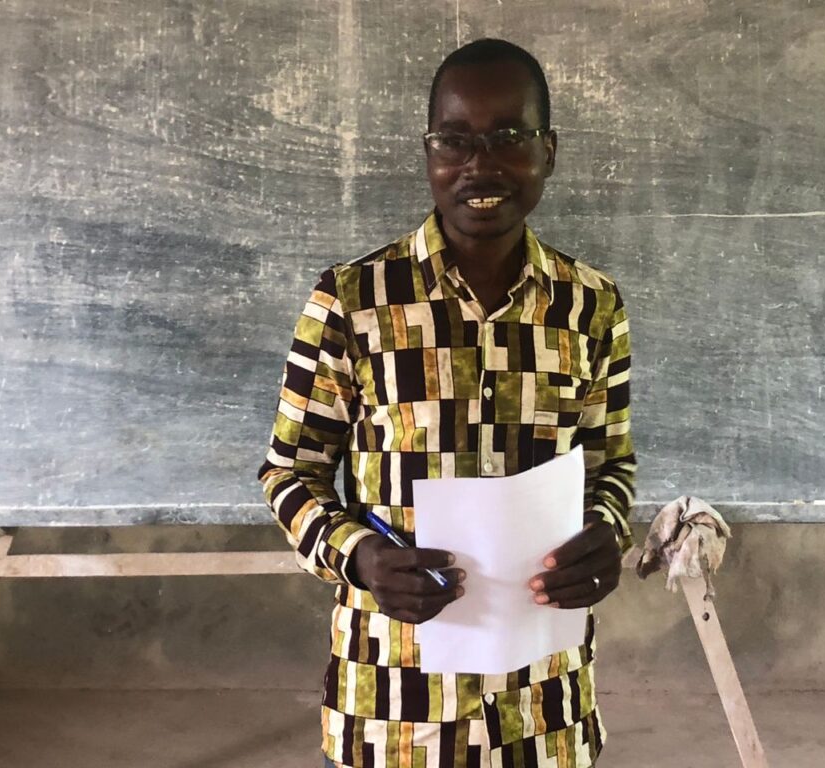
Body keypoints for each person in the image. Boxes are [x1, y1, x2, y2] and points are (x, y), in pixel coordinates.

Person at [258, 38, 636, 768]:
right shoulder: (352, 301)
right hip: (393, 705)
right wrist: (361, 558)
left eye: (509, 137)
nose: (480, 165)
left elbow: (610, 464)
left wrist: (609, 533)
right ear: (429, 153)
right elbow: (289, 473)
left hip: (543, 706)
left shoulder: (591, 306)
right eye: (455, 140)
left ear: (549, 151)